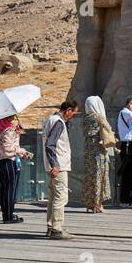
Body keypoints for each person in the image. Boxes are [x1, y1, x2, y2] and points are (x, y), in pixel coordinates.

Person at [43, 100, 79, 240]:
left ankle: (51, 227)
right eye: (73, 113)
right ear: (68, 110)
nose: (73, 116)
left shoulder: (51, 119)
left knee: (52, 197)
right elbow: (51, 145)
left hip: (52, 164)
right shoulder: (58, 122)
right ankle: (57, 229)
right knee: (61, 196)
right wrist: (55, 165)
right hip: (59, 165)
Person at [0, 113, 33, 224]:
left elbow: (9, 146)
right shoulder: (8, 131)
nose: (13, 118)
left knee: (4, 189)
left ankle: (7, 214)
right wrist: (22, 151)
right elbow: (9, 149)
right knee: (10, 189)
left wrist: (17, 135)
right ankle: (8, 216)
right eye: (11, 116)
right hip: (8, 162)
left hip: (0, 162)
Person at [82, 95, 116, 213]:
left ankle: (89, 204)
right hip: (99, 151)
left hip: (88, 152)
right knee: (99, 177)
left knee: (90, 178)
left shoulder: (85, 118)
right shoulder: (98, 117)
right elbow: (108, 131)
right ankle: (98, 204)